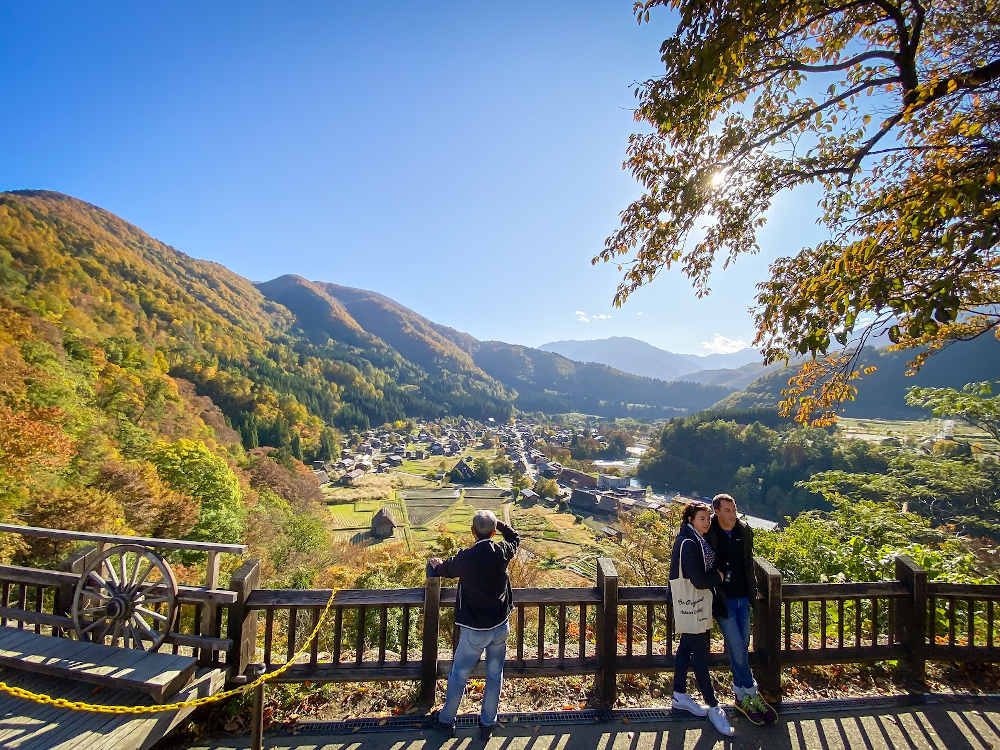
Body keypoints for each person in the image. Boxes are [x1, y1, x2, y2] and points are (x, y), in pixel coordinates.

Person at [427, 509, 520, 742]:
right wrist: (501, 525)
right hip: (500, 625)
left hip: (474, 629)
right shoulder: (501, 552)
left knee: (459, 673)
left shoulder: (467, 558)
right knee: (495, 674)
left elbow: (445, 569)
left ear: (472, 531)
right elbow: (515, 540)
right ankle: (488, 722)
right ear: (492, 531)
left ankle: (447, 720)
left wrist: (436, 564)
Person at [706, 493, 778, 726]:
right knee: (737, 648)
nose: (732, 513)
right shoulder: (710, 532)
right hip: (722, 600)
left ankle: (740, 696)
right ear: (716, 511)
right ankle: (752, 693)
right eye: (727, 509)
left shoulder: (744, 530)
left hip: (742, 598)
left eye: (734, 508)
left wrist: (753, 590)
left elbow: (748, 562)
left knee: (742, 646)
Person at [669, 502, 734, 737]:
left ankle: (679, 695)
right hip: (694, 605)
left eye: (708, 518)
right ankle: (714, 706)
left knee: (686, 649)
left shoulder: (693, 539)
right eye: (701, 518)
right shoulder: (689, 543)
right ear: (690, 520)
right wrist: (717, 576)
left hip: (693, 606)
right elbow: (697, 579)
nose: (706, 522)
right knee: (699, 657)